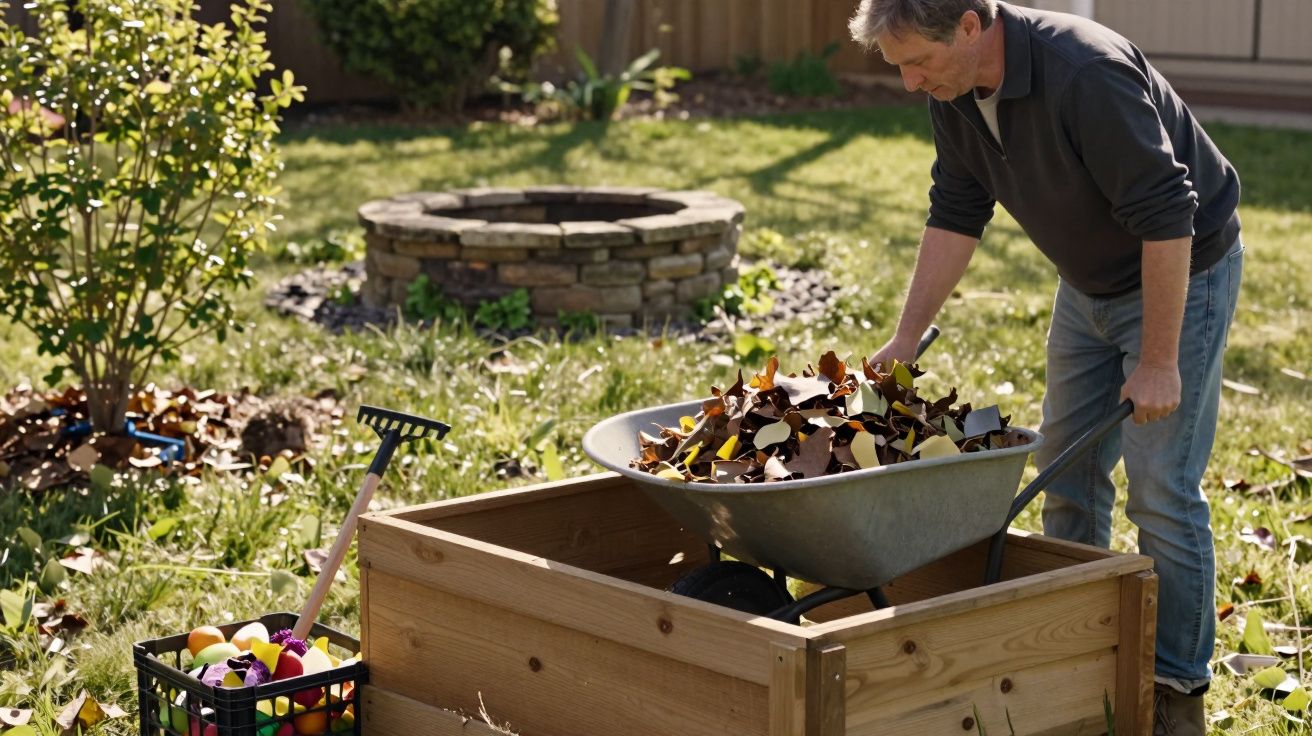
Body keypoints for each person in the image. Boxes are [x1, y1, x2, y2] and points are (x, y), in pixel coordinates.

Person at [849, 1, 1243, 732]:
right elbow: (956, 209)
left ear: (970, 25)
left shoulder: (1084, 73)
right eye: (899, 66)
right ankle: (1080, 661)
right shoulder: (953, 88)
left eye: (918, 62)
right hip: (1088, 285)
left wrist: (1159, 359)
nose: (909, 82)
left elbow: (1168, 214)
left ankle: (1175, 693)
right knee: (1067, 469)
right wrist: (905, 337)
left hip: (1179, 272)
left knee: (1161, 488)